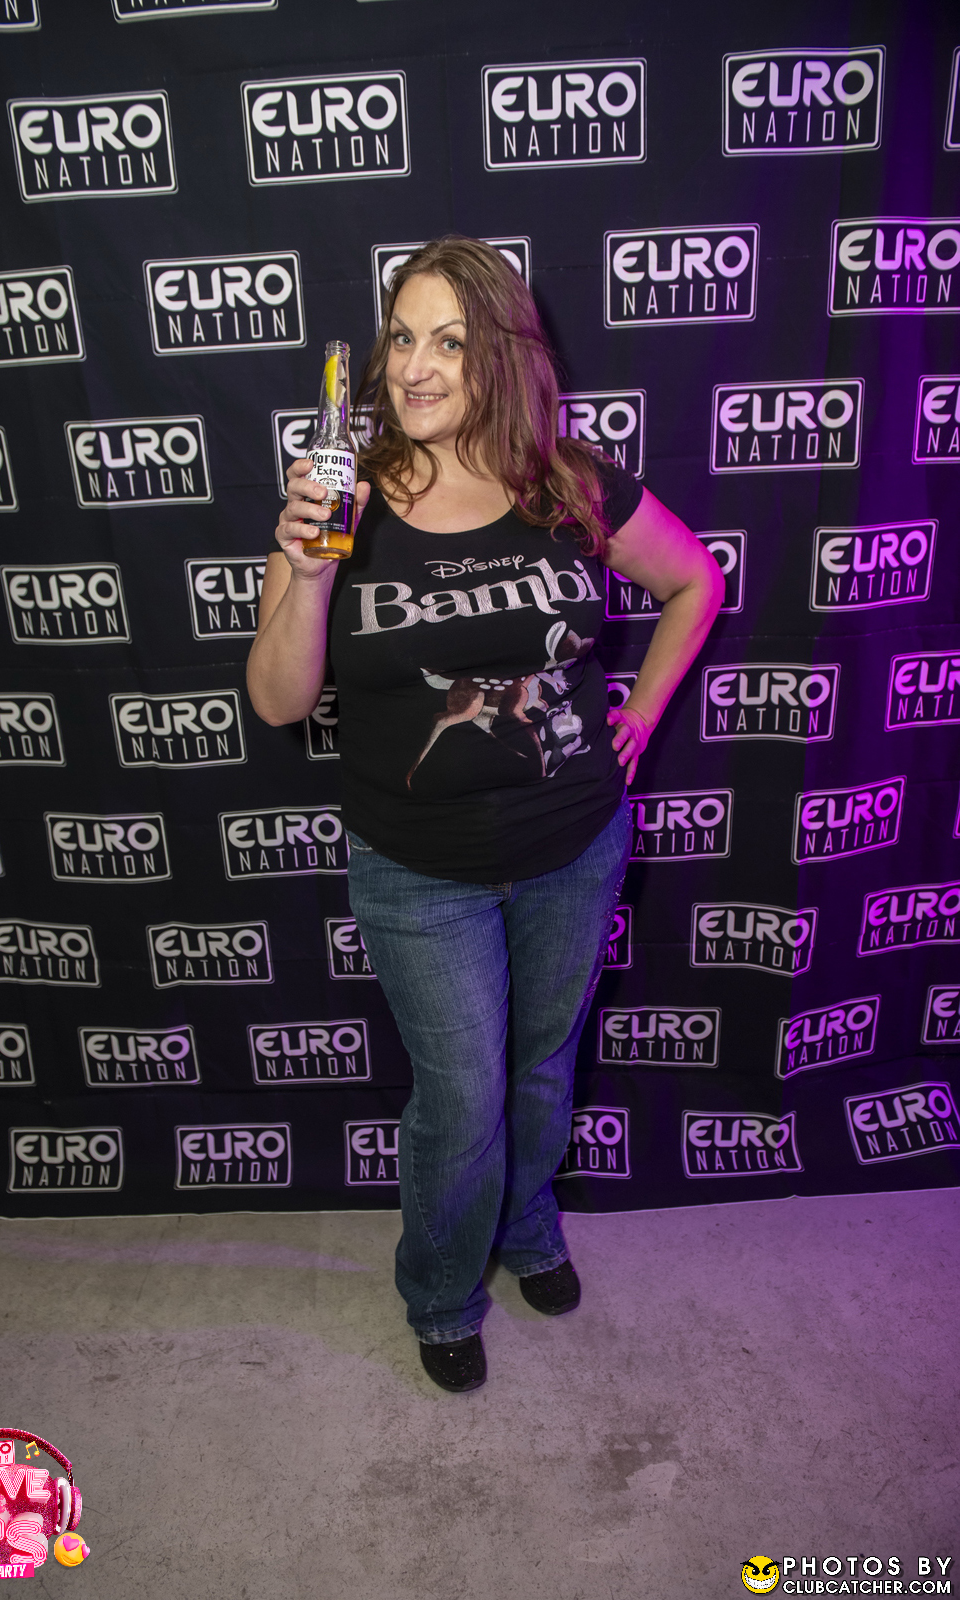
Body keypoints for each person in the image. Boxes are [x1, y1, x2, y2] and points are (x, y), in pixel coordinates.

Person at [247, 236, 723, 1393]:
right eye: (402, 338)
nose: (413, 366)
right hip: (418, 867)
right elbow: (279, 701)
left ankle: (528, 1226)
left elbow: (691, 581)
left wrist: (640, 713)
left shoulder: (567, 481)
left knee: (542, 1068)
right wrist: (305, 570)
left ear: (501, 354)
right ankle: (443, 1289)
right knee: (461, 1095)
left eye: (448, 342)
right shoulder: (342, 494)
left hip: (573, 846)